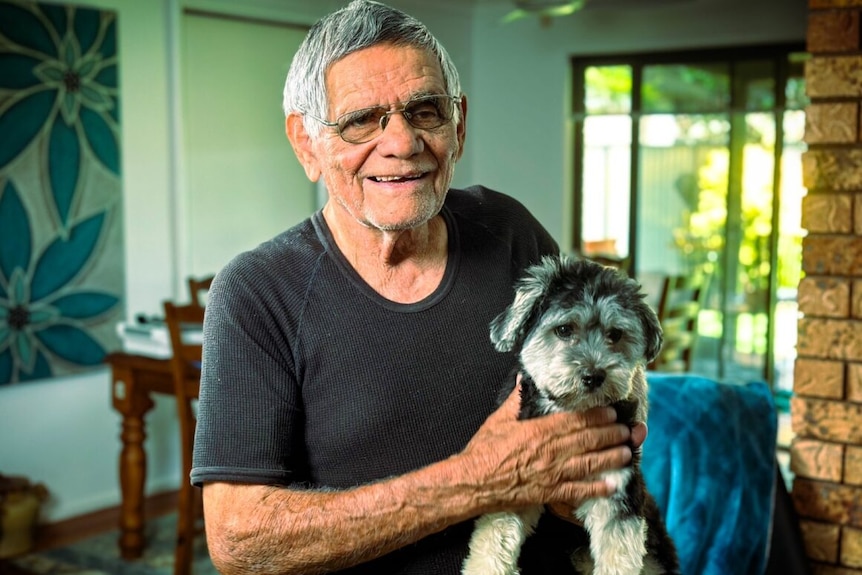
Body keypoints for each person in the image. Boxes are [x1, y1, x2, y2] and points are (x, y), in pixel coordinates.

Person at [191, 1, 646, 574]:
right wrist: (474, 482)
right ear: (307, 143)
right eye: (361, 120)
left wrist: (583, 477)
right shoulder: (256, 293)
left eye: (425, 110)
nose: (402, 143)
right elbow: (239, 542)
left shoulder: (509, 231)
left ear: (458, 125)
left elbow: (593, 411)